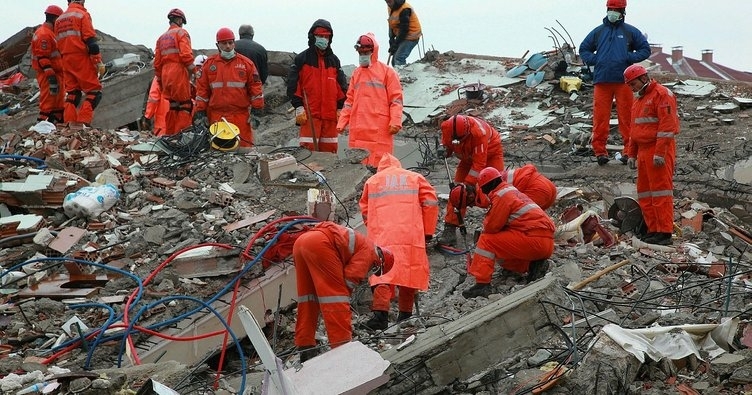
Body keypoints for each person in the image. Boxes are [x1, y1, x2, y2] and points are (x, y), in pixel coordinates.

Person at [293, 221, 394, 362]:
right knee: (336, 300)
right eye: (375, 270)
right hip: (320, 244)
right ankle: (343, 350)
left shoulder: (361, 243)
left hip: (301, 243)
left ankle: (305, 347)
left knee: (308, 299)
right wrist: (344, 299)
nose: (370, 273)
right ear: (380, 261)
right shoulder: (370, 252)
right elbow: (349, 279)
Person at [358, 153, 438, 330]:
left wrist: (372, 225)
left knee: (382, 273)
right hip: (410, 234)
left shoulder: (373, 182)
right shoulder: (414, 178)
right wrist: (428, 231)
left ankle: (380, 316)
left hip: (382, 234)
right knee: (409, 271)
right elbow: (431, 202)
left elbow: (365, 211)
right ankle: (405, 314)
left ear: (381, 168)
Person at [462, 167, 555, 298]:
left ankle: (482, 284)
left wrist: (485, 224)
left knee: (486, 240)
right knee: (501, 245)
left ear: (485, 187)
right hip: (545, 243)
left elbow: (491, 227)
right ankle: (532, 266)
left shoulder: (501, 196)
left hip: (534, 241)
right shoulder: (511, 191)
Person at [579, 0, 650, 166]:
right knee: (600, 118)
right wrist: (596, 60)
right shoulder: (598, 32)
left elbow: (645, 49)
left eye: (616, 9)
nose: (612, 12)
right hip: (602, 80)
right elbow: (584, 49)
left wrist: (628, 57)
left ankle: (629, 151)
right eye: (610, 9)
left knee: (626, 117)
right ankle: (600, 152)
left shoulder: (630, 32)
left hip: (624, 81)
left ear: (622, 11)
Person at [623, 64, 679, 246]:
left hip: (658, 149)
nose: (632, 88)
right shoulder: (638, 101)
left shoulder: (662, 95)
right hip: (644, 152)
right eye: (629, 86)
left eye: (633, 84)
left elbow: (667, 126)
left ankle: (664, 232)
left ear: (643, 79)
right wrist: (631, 154)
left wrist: (660, 153)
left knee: (661, 192)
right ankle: (652, 229)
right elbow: (635, 130)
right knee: (646, 193)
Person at [336, 33, 403, 168]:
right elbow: (349, 100)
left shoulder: (387, 73)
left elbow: (396, 99)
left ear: (373, 51)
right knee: (358, 166)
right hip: (359, 129)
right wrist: (342, 121)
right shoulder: (357, 73)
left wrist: (395, 121)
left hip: (379, 129)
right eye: (360, 53)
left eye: (365, 52)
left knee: (380, 165)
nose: (362, 56)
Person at [438, 114, 504, 245]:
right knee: (456, 192)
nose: (458, 142)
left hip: (490, 154)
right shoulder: (447, 128)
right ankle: (450, 227)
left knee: (498, 190)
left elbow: (479, 164)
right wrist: (445, 151)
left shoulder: (479, 134)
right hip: (466, 157)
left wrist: (469, 185)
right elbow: (447, 145)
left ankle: (501, 226)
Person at [194, 28, 264, 148]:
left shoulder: (246, 64)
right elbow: (202, 91)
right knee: (218, 153)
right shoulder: (209, 65)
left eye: (230, 43)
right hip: (217, 117)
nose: (228, 46)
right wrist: (201, 113)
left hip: (240, 117)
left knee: (244, 151)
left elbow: (256, 89)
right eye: (224, 43)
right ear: (218, 45)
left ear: (234, 43)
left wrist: (256, 112)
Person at [287, 19, 348, 153]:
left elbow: (341, 86)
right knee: (308, 153)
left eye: (326, 37)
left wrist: (339, 108)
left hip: (330, 118)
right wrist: (298, 107)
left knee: (329, 154)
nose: (324, 39)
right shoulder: (302, 59)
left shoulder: (334, 61)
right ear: (313, 37)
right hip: (309, 116)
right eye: (320, 36)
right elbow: (293, 84)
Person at [54, 0, 105, 128]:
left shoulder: (59, 20)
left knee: (72, 94)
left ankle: (69, 124)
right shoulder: (82, 15)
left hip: (65, 59)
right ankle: (83, 122)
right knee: (94, 92)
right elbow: (91, 43)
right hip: (81, 58)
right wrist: (97, 62)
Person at [153, 9, 195, 135]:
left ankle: (170, 135)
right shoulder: (181, 33)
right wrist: (195, 72)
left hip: (166, 73)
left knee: (173, 105)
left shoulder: (161, 38)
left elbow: (157, 63)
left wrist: (160, 80)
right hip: (178, 72)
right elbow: (186, 55)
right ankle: (182, 137)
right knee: (185, 105)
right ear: (180, 20)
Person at [31, 5, 65, 124]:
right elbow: (42, 57)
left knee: (58, 104)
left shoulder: (50, 33)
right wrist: (50, 76)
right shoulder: (44, 34)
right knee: (48, 103)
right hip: (48, 75)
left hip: (56, 73)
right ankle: (41, 129)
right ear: (55, 19)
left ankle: (58, 127)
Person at [385, 0, 422, 67]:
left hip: (411, 36)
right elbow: (391, 23)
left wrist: (395, 44)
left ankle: (402, 76)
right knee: (393, 61)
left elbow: (404, 30)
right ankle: (396, 76)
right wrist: (391, 39)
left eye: (389, 1)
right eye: (386, 1)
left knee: (399, 58)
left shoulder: (405, 9)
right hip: (401, 35)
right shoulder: (390, 7)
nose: (388, 3)